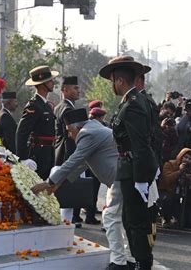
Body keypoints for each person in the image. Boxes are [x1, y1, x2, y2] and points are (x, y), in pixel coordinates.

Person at [31, 108, 133, 270]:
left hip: (118, 179)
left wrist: (49, 182)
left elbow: (75, 160)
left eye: (69, 131)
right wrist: (58, 183)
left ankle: (119, 263)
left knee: (110, 218)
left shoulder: (87, 133)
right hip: (122, 178)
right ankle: (128, 258)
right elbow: (83, 163)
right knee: (122, 219)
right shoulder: (94, 128)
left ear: (76, 127)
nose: (69, 136)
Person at [99, 55, 158, 270]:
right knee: (131, 220)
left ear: (120, 81)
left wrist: (142, 179)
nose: (112, 85)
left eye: (112, 81)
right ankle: (141, 262)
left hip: (133, 170)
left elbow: (140, 144)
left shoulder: (132, 105)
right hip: (131, 168)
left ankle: (143, 264)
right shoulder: (137, 100)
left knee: (136, 223)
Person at [16, 65, 58, 180]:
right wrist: (23, 157)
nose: (53, 82)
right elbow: (22, 132)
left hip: (48, 153)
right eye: (50, 80)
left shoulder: (46, 105)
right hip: (38, 154)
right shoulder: (34, 105)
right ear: (42, 84)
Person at [53, 76, 84, 224]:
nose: (78, 91)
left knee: (64, 202)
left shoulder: (59, 106)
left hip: (60, 156)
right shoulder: (67, 108)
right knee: (67, 204)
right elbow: (72, 134)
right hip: (68, 156)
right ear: (65, 90)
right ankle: (65, 233)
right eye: (75, 88)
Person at [157, 148, 191, 228]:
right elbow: (167, 179)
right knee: (167, 200)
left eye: (189, 159)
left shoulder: (189, 169)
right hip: (165, 191)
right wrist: (179, 171)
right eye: (185, 157)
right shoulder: (170, 164)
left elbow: (187, 185)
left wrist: (190, 178)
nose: (187, 160)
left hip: (178, 194)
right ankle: (165, 218)